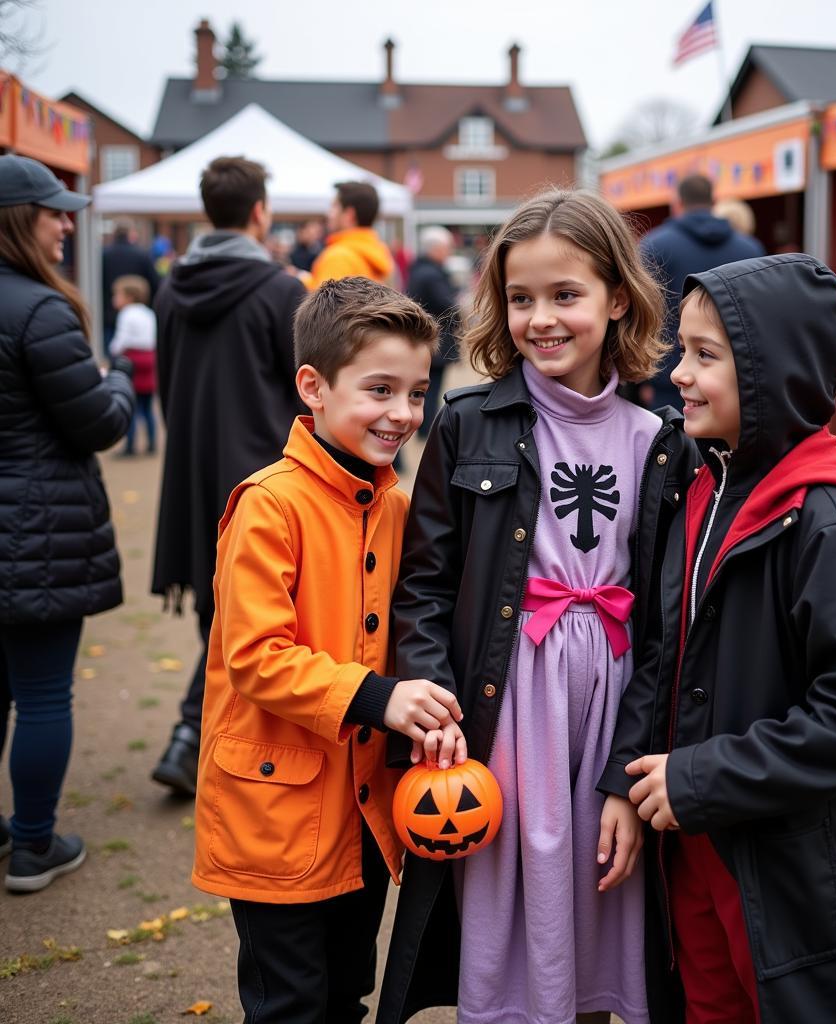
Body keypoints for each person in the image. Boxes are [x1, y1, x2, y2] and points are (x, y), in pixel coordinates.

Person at [378, 189, 693, 1024]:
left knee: (597, 897)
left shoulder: (660, 440)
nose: (541, 319)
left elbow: (663, 621)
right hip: (506, 702)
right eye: (521, 299)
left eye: (565, 296)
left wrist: (627, 775)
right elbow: (425, 583)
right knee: (512, 899)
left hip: (611, 712)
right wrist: (433, 699)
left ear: (616, 298)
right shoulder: (466, 423)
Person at [615, 254, 836, 1023]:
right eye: (682, 348)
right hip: (693, 854)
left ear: (773, 372)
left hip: (782, 869)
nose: (678, 373)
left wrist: (703, 777)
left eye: (705, 355)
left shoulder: (833, 526)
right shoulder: (703, 483)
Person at [191, 275, 460, 1023]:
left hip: (366, 813)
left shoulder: (398, 505)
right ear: (313, 385)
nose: (403, 413)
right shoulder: (269, 503)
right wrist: (382, 698)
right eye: (379, 390)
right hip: (277, 813)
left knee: (347, 992)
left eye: (416, 392)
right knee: (290, 1004)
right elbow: (255, 654)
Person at [150, 156, 307, 797]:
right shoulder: (281, 290)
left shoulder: (169, 291)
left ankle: (197, 736)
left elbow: (164, 384)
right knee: (247, 621)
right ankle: (197, 735)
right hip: (266, 476)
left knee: (225, 615)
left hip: (193, 467)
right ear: (260, 212)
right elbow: (309, 392)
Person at [0, 154, 134, 892]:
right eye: (53, 212)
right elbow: (96, 425)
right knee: (45, 693)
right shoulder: (39, 310)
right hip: (36, 529)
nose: (64, 224)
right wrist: (116, 376)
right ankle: (33, 844)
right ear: (22, 222)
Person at [641, 174, 764, 411]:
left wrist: (643, 378)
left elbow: (645, 314)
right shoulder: (751, 249)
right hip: (734, 380)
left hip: (671, 380)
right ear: (714, 201)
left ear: (677, 203)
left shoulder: (654, 247)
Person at [405, 225, 461, 436]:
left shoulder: (419, 270)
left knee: (424, 387)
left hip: (423, 339)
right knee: (430, 389)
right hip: (435, 342)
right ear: (435, 249)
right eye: (447, 247)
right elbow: (448, 306)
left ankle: (423, 426)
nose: (449, 252)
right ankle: (427, 429)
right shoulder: (431, 274)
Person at [307, 181, 393, 288]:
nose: (329, 214)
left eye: (334, 206)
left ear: (349, 215)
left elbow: (322, 302)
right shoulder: (380, 251)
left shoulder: (338, 258)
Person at [109, 274, 158, 457]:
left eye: (117, 295)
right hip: (149, 359)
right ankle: (152, 443)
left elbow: (122, 339)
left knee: (131, 405)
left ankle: (130, 445)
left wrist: (113, 350)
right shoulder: (149, 313)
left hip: (132, 361)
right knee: (147, 405)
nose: (114, 299)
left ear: (129, 297)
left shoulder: (126, 314)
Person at [101, 221, 159, 354]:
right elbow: (156, 283)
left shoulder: (104, 255)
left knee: (113, 355)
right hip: (141, 312)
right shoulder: (142, 255)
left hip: (108, 316)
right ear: (131, 235)